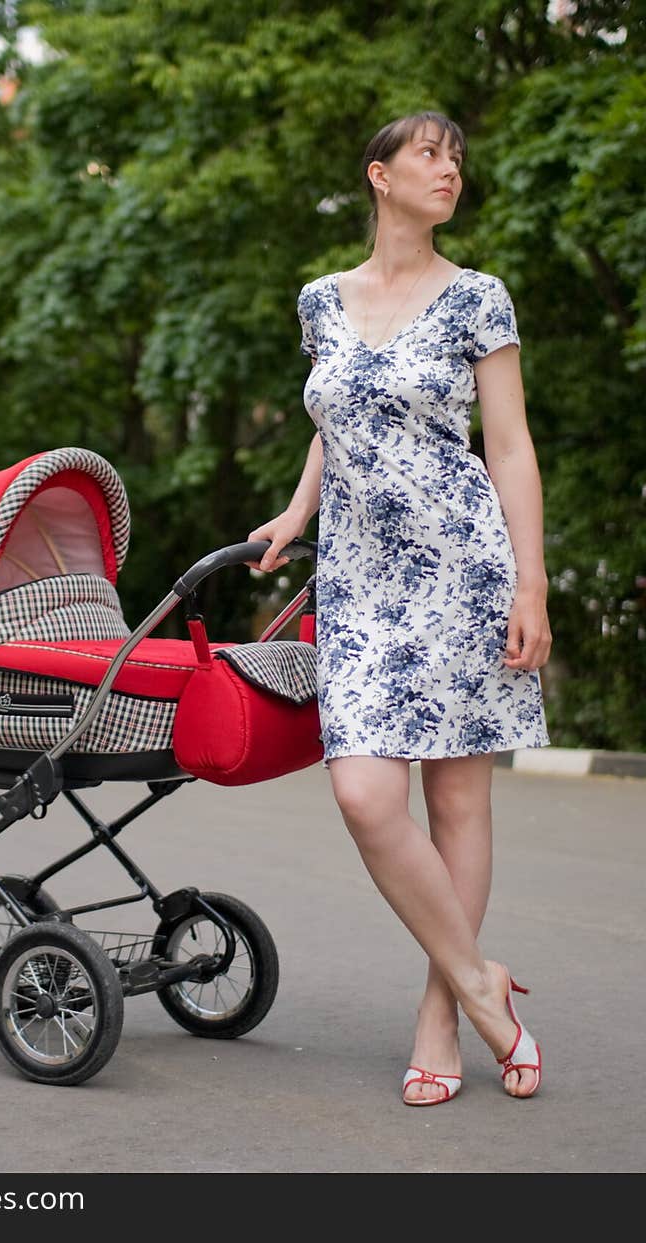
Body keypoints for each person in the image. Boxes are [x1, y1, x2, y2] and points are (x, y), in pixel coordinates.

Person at [248, 111, 551, 1105]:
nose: (448, 169)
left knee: (458, 800)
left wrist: (530, 583)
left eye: (455, 158)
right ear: (379, 176)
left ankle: (440, 1019)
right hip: (358, 580)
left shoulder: (477, 299)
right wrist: (296, 511)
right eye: (428, 154)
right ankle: (481, 982)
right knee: (366, 795)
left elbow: (507, 445)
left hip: (460, 568)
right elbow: (338, 414)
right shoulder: (321, 303)